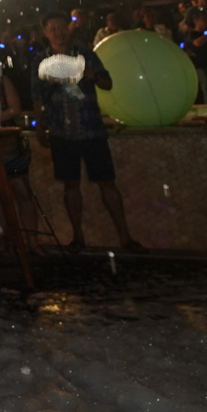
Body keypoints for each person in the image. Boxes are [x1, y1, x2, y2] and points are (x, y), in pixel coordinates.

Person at [30, 13, 139, 251]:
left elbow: (107, 83)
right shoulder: (41, 60)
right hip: (61, 131)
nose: (58, 32)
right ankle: (78, 237)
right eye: (53, 28)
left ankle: (126, 237)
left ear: (68, 29)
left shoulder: (85, 54)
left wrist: (92, 75)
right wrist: (39, 126)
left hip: (92, 129)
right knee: (70, 185)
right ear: (45, 33)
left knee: (107, 183)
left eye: (61, 27)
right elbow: (37, 97)